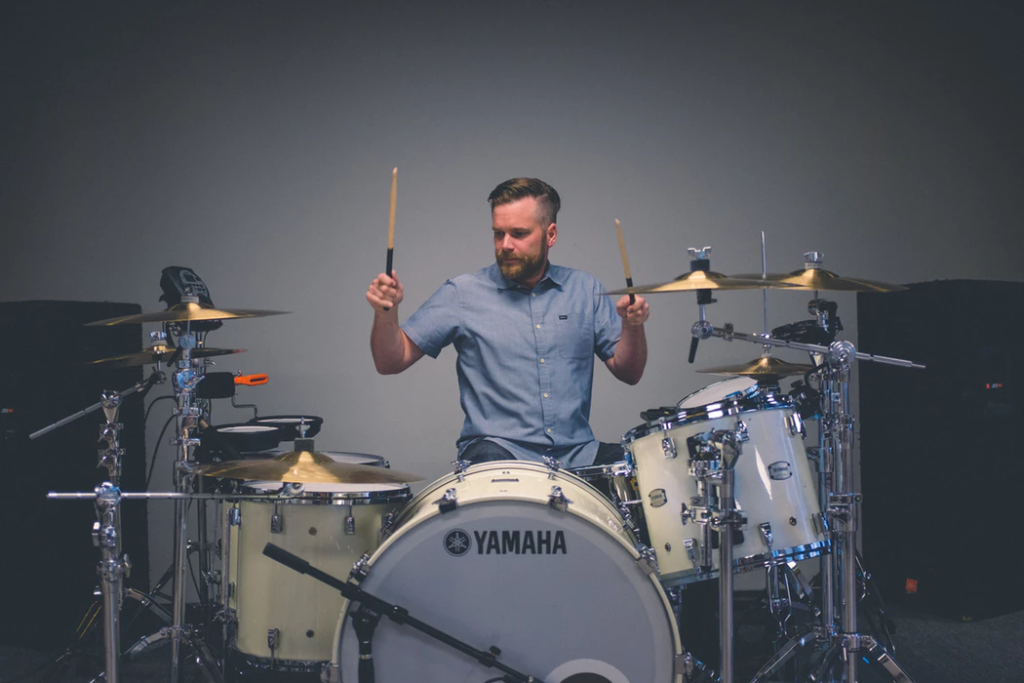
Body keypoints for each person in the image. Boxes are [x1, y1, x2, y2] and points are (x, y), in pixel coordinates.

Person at [365, 177, 649, 467]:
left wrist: (633, 327)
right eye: (498, 234)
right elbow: (391, 361)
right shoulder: (462, 293)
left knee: (641, 472)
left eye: (519, 233)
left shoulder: (585, 290)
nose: (505, 245)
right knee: (495, 474)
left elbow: (629, 372)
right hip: (498, 453)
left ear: (550, 235)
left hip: (578, 454)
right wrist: (385, 312)